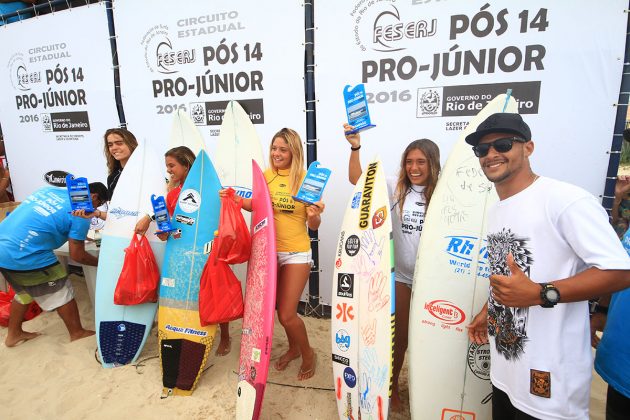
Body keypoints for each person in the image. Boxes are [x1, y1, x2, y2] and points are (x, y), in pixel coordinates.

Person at [465, 113, 630, 420]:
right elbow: (512, 274)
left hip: (550, 379)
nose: (491, 154)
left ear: (528, 147)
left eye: (502, 144)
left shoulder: (564, 199)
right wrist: (489, 310)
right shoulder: (498, 209)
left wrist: (542, 293)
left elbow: (620, 272)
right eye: (482, 149)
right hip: (506, 371)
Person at [344, 123, 441, 411]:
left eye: (421, 161)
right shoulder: (395, 187)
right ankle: (393, 389)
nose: (414, 167)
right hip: (400, 276)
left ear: (432, 163)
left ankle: (426, 391)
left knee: (428, 339)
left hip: (432, 279)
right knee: (398, 339)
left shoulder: (443, 193)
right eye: (409, 161)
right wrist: (355, 146)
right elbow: (356, 179)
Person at [224, 127, 324, 380]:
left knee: (287, 314)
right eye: (274, 148)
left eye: (283, 149)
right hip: (267, 253)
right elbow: (256, 204)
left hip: (296, 253)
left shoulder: (305, 179)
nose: (277, 153)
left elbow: (314, 225)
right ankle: (293, 349)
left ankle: (308, 353)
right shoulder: (266, 176)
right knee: (276, 312)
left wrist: (314, 216)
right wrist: (236, 199)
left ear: (294, 151)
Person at [134, 146, 232, 356]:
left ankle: (225, 335)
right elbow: (171, 226)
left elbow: (218, 217)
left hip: (206, 249)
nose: (169, 170)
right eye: (167, 166)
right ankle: (187, 328)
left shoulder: (210, 189)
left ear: (187, 165)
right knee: (186, 292)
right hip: (180, 250)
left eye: (172, 165)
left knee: (213, 290)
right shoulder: (172, 195)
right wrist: (164, 233)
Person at [0, 182, 107, 347]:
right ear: (93, 197)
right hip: (26, 254)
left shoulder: (49, 190)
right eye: (98, 204)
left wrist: (77, 236)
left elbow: (46, 219)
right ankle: (77, 332)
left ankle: (14, 334)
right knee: (62, 291)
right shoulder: (82, 210)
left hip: (3, 247)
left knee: (24, 293)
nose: (94, 209)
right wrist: (101, 263)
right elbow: (77, 255)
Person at [74, 128, 138, 222]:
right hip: (124, 233)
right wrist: (96, 213)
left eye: (119, 143)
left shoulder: (147, 171)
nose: (114, 148)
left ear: (131, 144)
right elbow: (116, 215)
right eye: (110, 145)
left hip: (147, 233)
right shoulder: (112, 177)